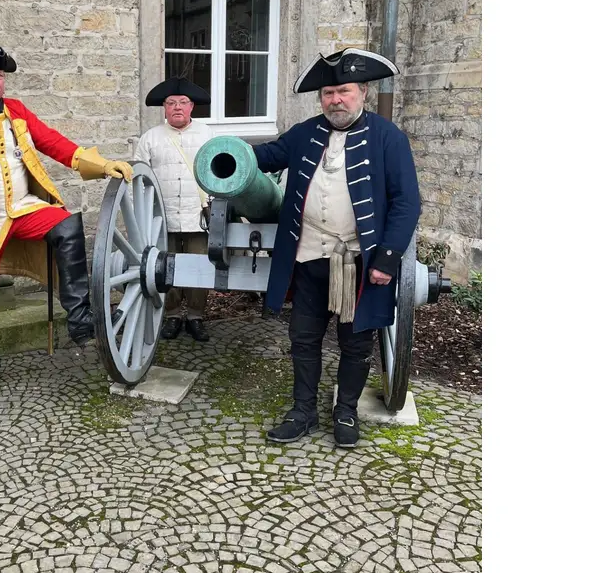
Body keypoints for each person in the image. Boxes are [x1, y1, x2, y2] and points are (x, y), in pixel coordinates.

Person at [0, 43, 134, 400]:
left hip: (22, 210)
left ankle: (80, 315)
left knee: (66, 225)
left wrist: (101, 165)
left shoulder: (16, 112)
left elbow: (52, 142)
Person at [251, 49, 421, 448]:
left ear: (362, 92)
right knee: (303, 338)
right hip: (308, 257)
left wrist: (388, 258)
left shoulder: (387, 137)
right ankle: (302, 412)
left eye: (343, 91)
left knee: (356, 343)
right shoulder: (305, 132)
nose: (335, 100)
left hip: (361, 265)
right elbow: (267, 155)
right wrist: (227, 154)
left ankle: (345, 411)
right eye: (328, 93)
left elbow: (406, 201)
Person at [133, 77, 215, 342]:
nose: (177, 107)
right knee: (163, 266)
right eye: (171, 103)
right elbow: (140, 179)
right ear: (164, 108)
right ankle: (171, 315)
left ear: (192, 107)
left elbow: (219, 172)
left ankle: (195, 315)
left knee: (199, 265)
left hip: (198, 214)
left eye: (182, 102)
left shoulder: (208, 136)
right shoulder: (150, 139)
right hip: (162, 215)